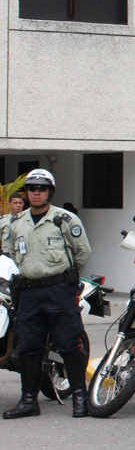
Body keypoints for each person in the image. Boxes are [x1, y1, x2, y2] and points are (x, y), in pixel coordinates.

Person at [2, 169, 92, 419]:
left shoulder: (64, 219)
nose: (36, 192)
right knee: (28, 346)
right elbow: (10, 253)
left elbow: (82, 252)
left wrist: (67, 280)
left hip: (58, 290)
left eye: (41, 188)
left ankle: (79, 399)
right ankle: (29, 401)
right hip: (29, 292)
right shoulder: (16, 223)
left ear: (50, 192)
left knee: (69, 343)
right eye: (32, 188)